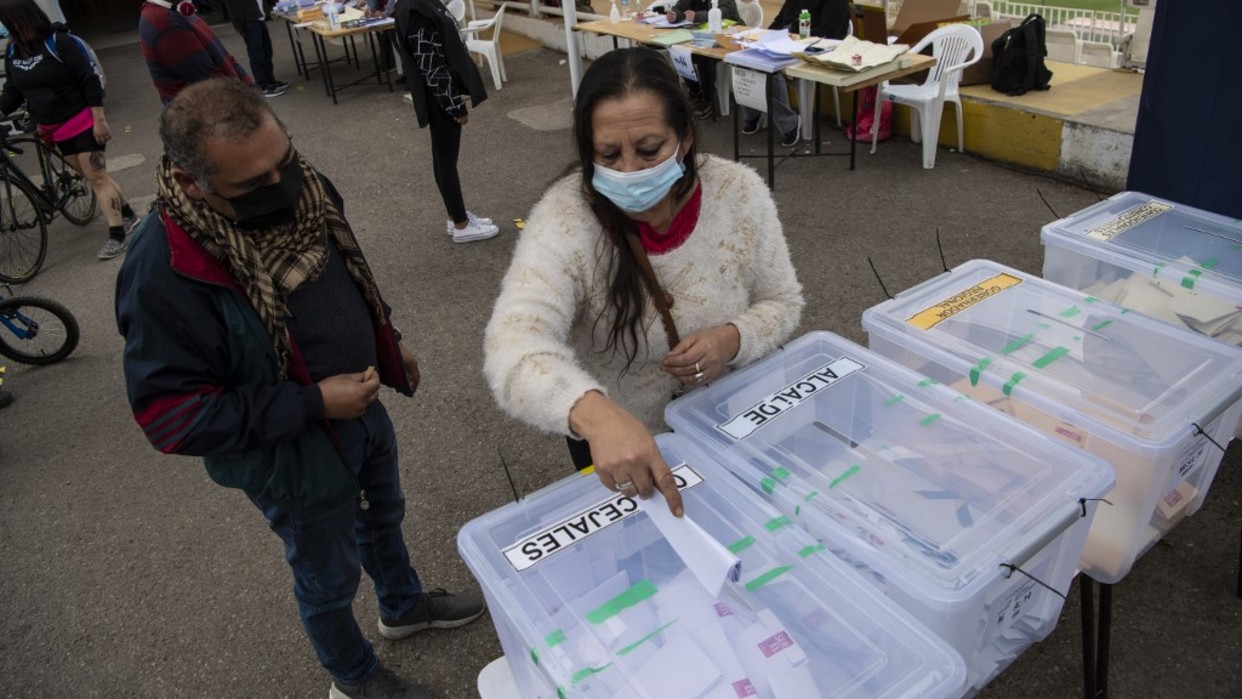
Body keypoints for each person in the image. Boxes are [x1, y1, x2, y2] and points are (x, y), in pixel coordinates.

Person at [115, 78, 484, 699]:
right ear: (190, 184)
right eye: (254, 185)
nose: (281, 186)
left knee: (383, 519)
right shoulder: (162, 270)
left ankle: (401, 606)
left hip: (361, 412)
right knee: (326, 574)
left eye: (283, 162)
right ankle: (353, 677)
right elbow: (170, 417)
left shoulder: (306, 185)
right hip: (294, 456)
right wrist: (313, 403)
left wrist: (387, 338)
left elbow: (347, 273)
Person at [483, 48, 804, 513]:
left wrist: (733, 339)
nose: (629, 171)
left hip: (732, 419)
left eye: (649, 149)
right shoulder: (564, 222)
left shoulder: (739, 192)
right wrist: (593, 413)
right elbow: (512, 347)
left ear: (685, 137)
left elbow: (783, 300)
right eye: (608, 155)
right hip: (628, 455)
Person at [0, 0, 139, 260]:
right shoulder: (13, 52)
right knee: (93, 176)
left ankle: (117, 235)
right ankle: (128, 213)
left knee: (96, 175)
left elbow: (88, 79)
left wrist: (99, 120)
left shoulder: (58, 42)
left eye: (7, 22)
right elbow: (14, 92)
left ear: (22, 18)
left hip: (83, 120)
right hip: (54, 128)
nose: (6, 29)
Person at [392, 0, 499, 243]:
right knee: (445, 161)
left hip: (439, 95)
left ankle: (456, 216)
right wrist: (453, 104)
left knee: (443, 159)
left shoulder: (420, 5)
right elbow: (431, 65)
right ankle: (461, 225)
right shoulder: (415, 10)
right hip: (439, 98)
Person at [739, 0, 851, 147]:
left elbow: (829, 33)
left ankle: (789, 124)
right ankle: (754, 112)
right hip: (786, 44)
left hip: (813, 50)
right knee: (743, 60)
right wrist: (763, 39)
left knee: (769, 70)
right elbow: (779, 22)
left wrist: (793, 34)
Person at [139, 0, 255, 104]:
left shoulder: (178, 9)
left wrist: (252, 89)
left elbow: (225, 56)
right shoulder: (164, 22)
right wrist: (250, 103)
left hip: (228, 100)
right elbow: (210, 81)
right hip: (212, 113)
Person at [665, 0, 741, 120]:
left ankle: (708, 100)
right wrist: (675, 15)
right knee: (679, 51)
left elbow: (724, 12)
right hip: (702, 38)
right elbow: (679, 7)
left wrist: (697, 16)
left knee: (703, 57)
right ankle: (695, 91)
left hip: (728, 39)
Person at [221, 0, 287, 97]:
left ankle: (270, 80)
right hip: (248, 20)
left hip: (258, 17)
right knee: (257, 53)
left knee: (266, 50)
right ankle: (262, 86)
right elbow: (233, 5)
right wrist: (239, 24)